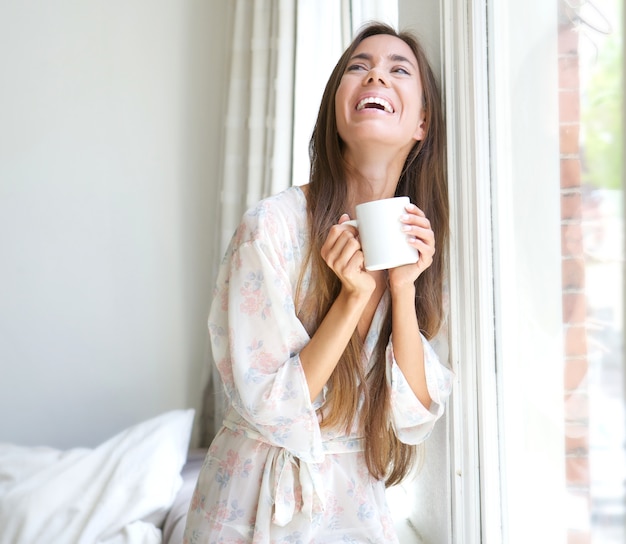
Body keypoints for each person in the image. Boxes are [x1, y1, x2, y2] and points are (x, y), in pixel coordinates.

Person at [183, 21, 452, 544]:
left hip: (353, 508)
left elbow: (413, 412)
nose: (376, 75)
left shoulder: (415, 243)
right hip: (256, 499)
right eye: (359, 66)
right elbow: (272, 404)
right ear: (338, 106)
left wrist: (401, 289)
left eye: (399, 69)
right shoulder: (272, 227)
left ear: (422, 122)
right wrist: (350, 299)